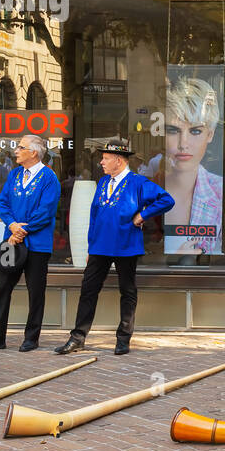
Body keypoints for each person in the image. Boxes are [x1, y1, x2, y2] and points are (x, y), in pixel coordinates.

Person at [55, 140, 174, 356]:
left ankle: (123, 338)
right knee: (88, 289)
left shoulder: (138, 182)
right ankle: (78, 337)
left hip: (126, 245)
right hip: (100, 246)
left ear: (118, 161)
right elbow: (94, 213)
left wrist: (143, 214)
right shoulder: (102, 182)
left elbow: (166, 200)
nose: (101, 162)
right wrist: (90, 243)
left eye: (105, 158)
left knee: (127, 291)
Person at [0, 135, 60, 352]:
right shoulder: (14, 174)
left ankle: (31, 338)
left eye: (21, 147)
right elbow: (2, 202)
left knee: (35, 291)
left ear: (34, 152)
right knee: (2, 287)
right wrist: (12, 226)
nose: (16, 151)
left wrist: (22, 230)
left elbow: (46, 211)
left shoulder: (49, 178)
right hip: (11, 242)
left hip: (37, 245)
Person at [159, 76, 224, 256]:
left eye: (195, 131)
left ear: (209, 135)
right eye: (173, 130)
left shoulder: (220, 193)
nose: (183, 143)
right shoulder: (145, 189)